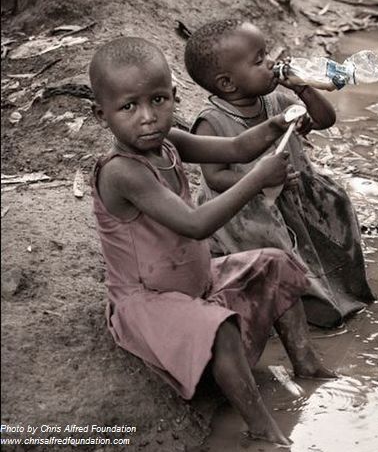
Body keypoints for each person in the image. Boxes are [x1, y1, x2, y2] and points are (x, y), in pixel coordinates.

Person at [89, 37, 335, 446]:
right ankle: (262, 428)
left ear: (173, 96)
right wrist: (259, 178)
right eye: (129, 107)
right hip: (146, 301)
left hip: (197, 280)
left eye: (158, 100)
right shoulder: (122, 172)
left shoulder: (169, 142)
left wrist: (276, 124)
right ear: (102, 114)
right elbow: (196, 224)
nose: (148, 117)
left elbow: (237, 147)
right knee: (220, 331)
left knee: (277, 263)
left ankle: (307, 364)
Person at [184, 19, 375, 329]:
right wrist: (260, 183)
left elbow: (325, 120)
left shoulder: (275, 101)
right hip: (250, 210)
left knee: (336, 206)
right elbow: (215, 178)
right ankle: (304, 308)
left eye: (268, 53)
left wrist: (304, 88)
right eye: (259, 60)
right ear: (228, 83)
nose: (271, 63)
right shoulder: (212, 122)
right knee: (281, 255)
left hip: (294, 195)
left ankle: (339, 289)